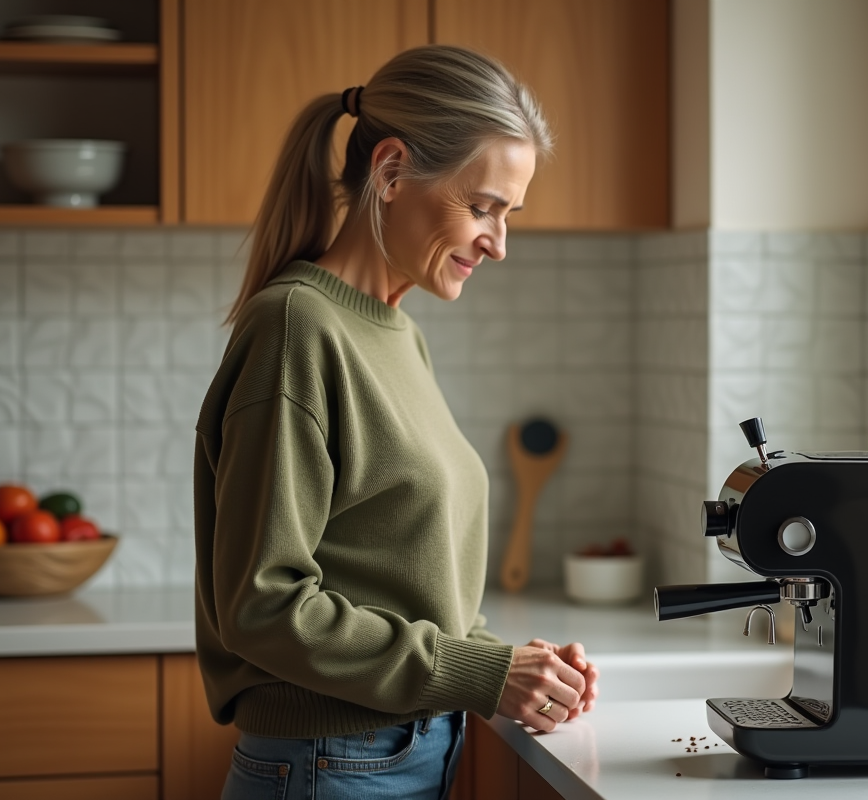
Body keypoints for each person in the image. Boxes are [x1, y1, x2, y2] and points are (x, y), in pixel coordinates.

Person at [193, 45, 600, 800]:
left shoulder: (395, 331)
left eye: (508, 215)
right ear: (389, 172)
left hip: (400, 750)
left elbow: (400, 580)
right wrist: (481, 672)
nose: (498, 243)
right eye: (482, 207)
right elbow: (263, 605)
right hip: (331, 763)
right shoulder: (297, 327)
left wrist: (512, 665)